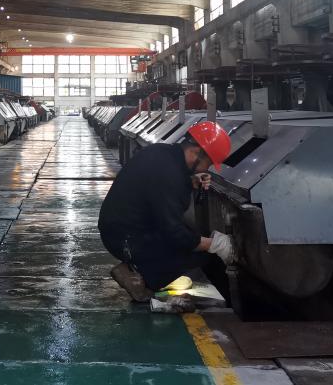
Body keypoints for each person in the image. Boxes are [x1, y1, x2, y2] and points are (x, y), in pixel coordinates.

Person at [98, 120, 236, 303]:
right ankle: (139, 276)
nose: (206, 170)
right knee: (198, 255)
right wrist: (214, 244)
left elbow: (158, 196)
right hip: (125, 239)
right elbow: (174, 232)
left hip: (120, 230)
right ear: (196, 153)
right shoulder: (170, 175)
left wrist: (189, 182)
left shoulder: (163, 154)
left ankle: (139, 269)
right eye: (208, 164)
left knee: (191, 240)